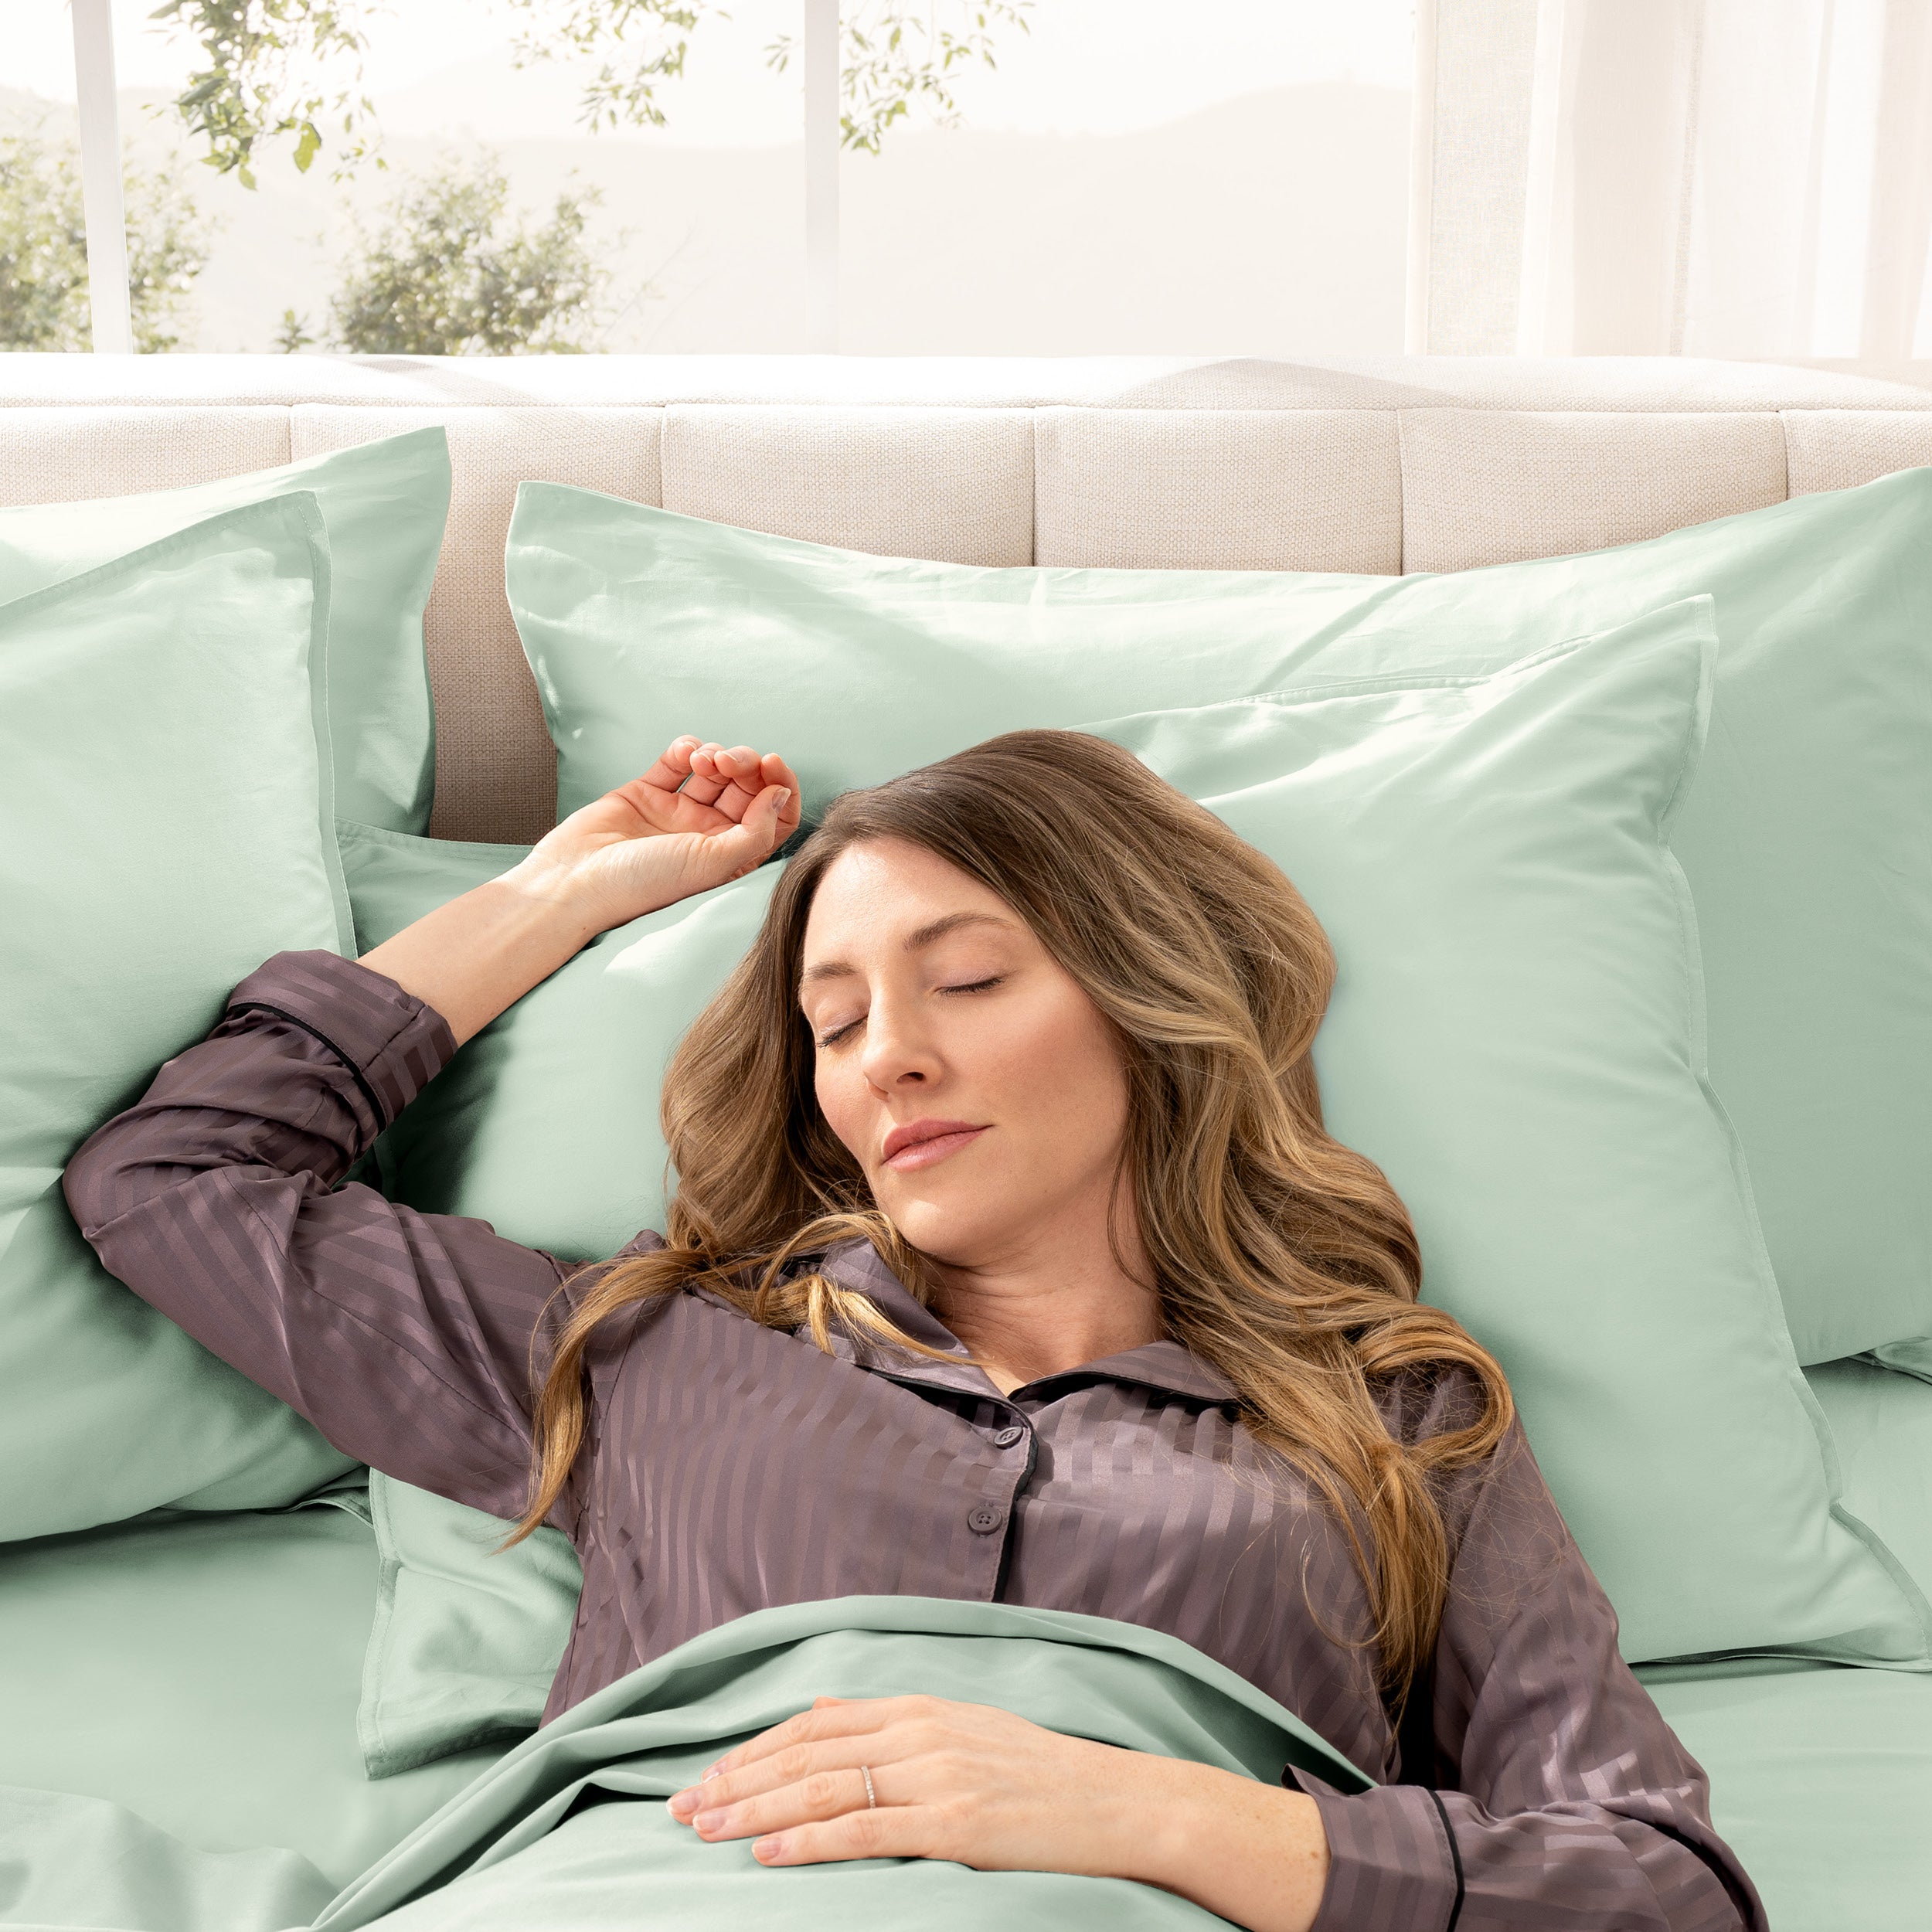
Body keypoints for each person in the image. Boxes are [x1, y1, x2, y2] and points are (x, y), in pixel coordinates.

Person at [65, 730, 1764, 1932]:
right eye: (833, 1015)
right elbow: (173, 1177)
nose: (886, 1054)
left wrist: (1164, 1815)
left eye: (965, 980)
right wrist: (568, 888)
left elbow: (1655, 1877)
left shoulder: (1385, 1412)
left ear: (1144, 995)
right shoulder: (655, 1346)